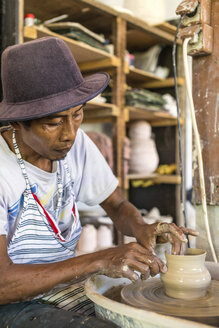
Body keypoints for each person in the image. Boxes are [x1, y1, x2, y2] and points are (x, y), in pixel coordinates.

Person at [0, 37, 198, 327]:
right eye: (54, 123)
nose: (69, 133)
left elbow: (116, 203)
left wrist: (141, 227)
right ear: (18, 122)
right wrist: (100, 259)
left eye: (77, 114)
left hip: (61, 285)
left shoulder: (74, 143)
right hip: (13, 300)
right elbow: (3, 284)